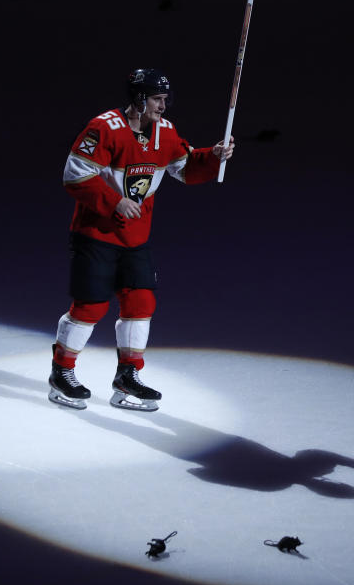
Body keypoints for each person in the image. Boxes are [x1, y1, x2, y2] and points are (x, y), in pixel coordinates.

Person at [48, 68, 234, 412]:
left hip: (136, 238)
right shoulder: (104, 128)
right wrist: (114, 200)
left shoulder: (166, 131)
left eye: (165, 99)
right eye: (157, 99)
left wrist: (213, 156)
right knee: (91, 307)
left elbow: (185, 167)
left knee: (141, 305)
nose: (163, 106)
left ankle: (127, 377)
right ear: (138, 98)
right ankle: (62, 372)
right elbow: (75, 175)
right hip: (96, 234)